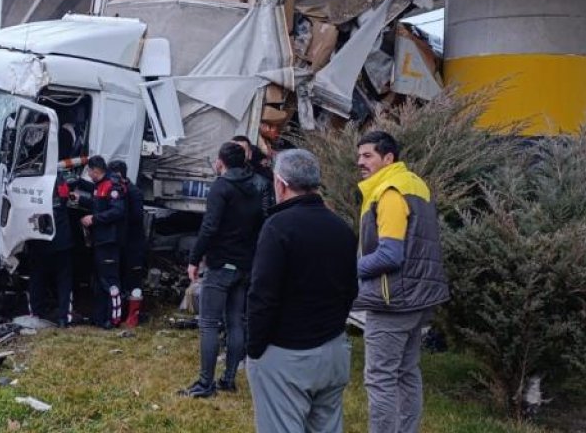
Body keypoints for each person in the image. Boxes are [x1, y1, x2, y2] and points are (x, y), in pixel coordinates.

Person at [246, 148, 358, 431]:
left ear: (280, 183)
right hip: (333, 350)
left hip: (287, 354)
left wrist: (255, 348)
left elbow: (262, 295)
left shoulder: (278, 227)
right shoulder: (341, 228)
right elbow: (350, 289)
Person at [354, 131, 450, 433]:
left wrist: (350, 269)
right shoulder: (415, 185)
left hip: (393, 300)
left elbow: (390, 255)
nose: (360, 162)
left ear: (388, 158)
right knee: (407, 372)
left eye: (368, 155)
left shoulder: (390, 192)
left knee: (380, 377)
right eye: (359, 156)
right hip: (419, 297)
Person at [182, 142, 265, 398]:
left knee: (208, 323)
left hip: (221, 264)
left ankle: (206, 384)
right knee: (235, 322)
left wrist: (194, 259)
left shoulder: (222, 186)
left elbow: (209, 227)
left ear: (221, 162)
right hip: (244, 264)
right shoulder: (258, 185)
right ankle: (228, 380)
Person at [82, 155, 126, 328]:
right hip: (99, 240)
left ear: (95, 170)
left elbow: (117, 211)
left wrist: (94, 219)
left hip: (109, 240)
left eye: (89, 172)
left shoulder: (112, 186)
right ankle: (100, 317)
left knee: (111, 281)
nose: (89, 175)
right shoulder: (98, 186)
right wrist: (80, 199)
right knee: (100, 281)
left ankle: (114, 319)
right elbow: (97, 204)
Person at [26, 174, 74, 327]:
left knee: (37, 279)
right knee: (64, 281)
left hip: (40, 243)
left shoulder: (34, 187)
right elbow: (67, 195)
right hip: (62, 243)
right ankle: (63, 318)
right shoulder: (61, 184)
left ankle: (36, 313)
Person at [110, 160, 147, 327]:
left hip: (134, 244)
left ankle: (134, 315)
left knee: (134, 280)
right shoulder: (122, 190)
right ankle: (123, 312)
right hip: (123, 243)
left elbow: (137, 217)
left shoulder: (133, 192)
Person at [232, 134, 275, 212]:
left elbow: (265, 211)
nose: (237, 154)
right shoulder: (223, 180)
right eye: (233, 150)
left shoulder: (262, 183)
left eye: (242, 151)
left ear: (250, 154)